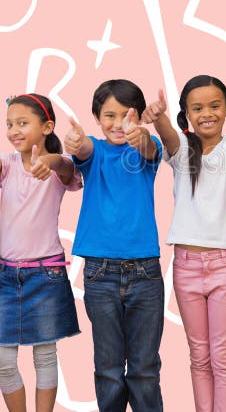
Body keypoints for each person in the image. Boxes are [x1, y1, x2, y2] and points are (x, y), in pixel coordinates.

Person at [143, 75, 226, 412]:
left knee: (222, 354)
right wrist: (160, 117)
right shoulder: (182, 152)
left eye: (214, 106)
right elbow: (167, 136)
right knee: (198, 354)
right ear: (188, 115)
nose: (206, 113)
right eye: (197, 108)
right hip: (186, 265)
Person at [0, 93, 81, 412]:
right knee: (1, 357)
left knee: (44, 354)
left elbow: (67, 167)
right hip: (9, 275)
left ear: (47, 126)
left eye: (22, 123)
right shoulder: (9, 163)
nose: (14, 130)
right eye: (9, 124)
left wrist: (50, 161)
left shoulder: (57, 168)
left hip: (47, 273)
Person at [65, 79, 164, 411]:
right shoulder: (95, 150)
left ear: (138, 118)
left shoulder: (145, 150)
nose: (118, 123)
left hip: (146, 272)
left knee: (144, 370)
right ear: (96, 117)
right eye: (109, 115)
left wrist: (142, 137)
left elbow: (151, 148)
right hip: (100, 273)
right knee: (108, 369)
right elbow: (83, 151)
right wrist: (76, 143)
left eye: (126, 115)